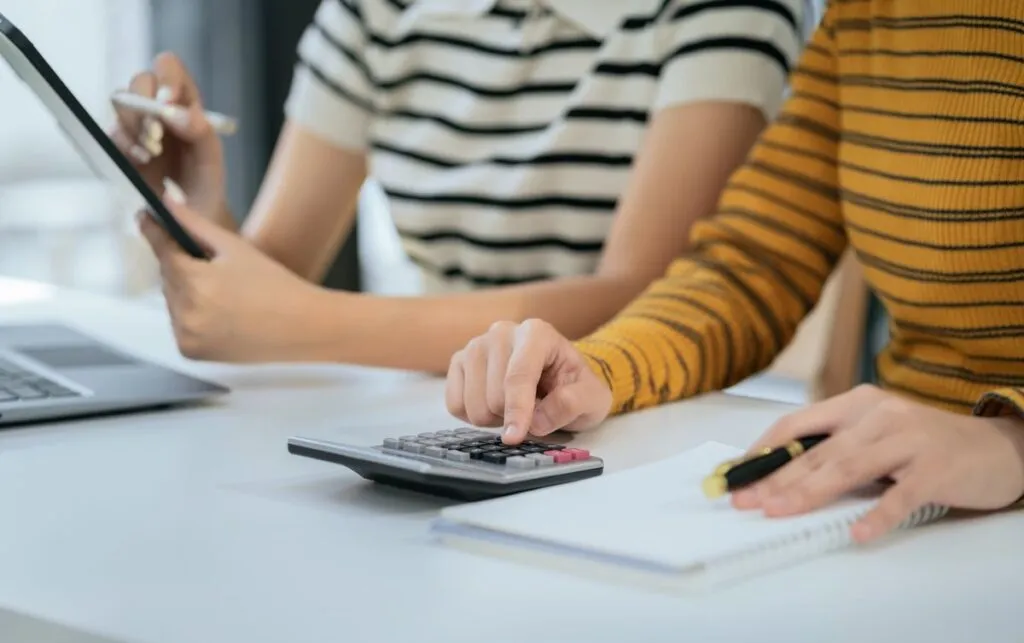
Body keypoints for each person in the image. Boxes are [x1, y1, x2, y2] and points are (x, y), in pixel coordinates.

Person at [444, 1, 1024, 542]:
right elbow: (751, 267)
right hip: (898, 500)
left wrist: (1009, 443)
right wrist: (601, 366)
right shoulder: (865, 16)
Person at [112, 0, 809, 371]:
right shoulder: (377, 13)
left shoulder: (720, 11)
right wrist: (202, 209)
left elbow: (644, 301)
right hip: (439, 419)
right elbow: (274, 282)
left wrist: (309, 322)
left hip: (637, 430)